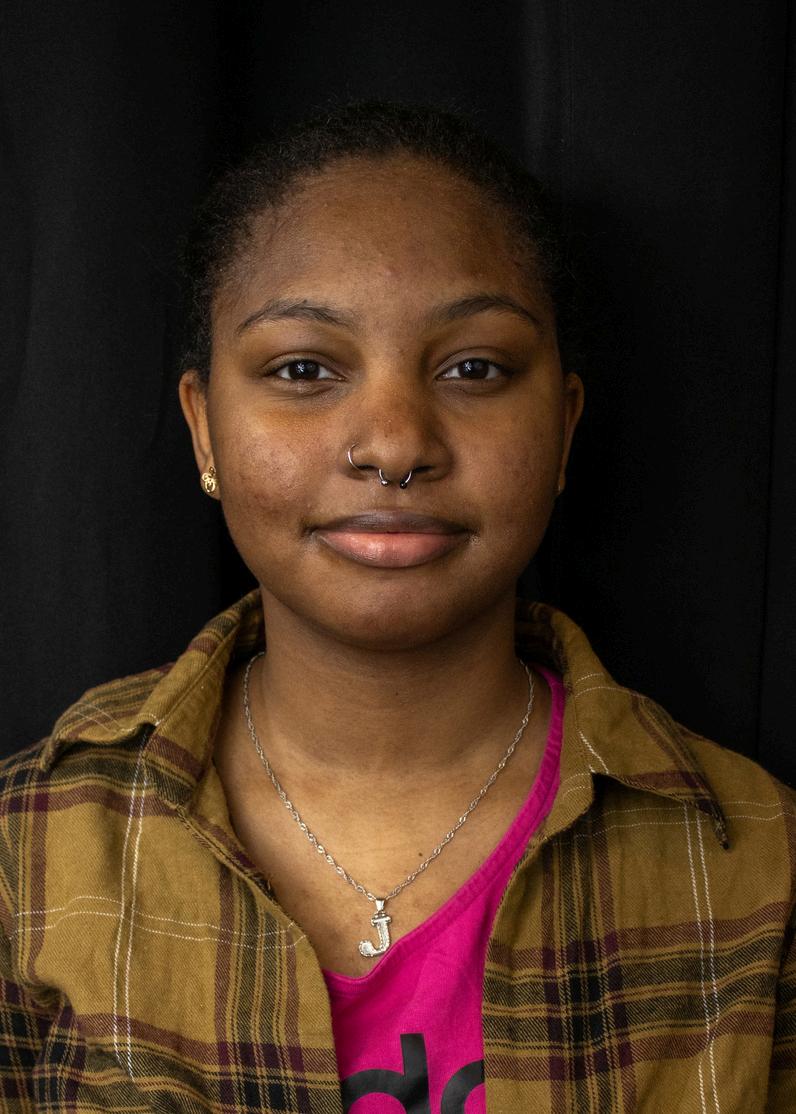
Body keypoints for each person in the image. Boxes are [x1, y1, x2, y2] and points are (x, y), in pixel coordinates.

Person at [0, 102, 792, 1114]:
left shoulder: (757, 865)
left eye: (474, 368)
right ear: (203, 429)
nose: (395, 443)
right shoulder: (33, 852)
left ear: (562, 428)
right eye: (304, 369)